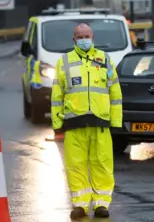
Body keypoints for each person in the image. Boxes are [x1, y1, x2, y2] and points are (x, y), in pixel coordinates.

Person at [51, 23, 123, 219]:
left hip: (100, 122)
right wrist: (57, 123)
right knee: (76, 165)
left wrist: (116, 121)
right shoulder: (64, 61)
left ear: (93, 38)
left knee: (102, 164)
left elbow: (115, 92)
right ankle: (80, 205)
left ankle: (101, 204)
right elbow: (57, 95)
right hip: (74, 123)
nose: (84, 39)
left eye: (87, 35)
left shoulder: (104, 59)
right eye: (80, 36)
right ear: (74, 40)